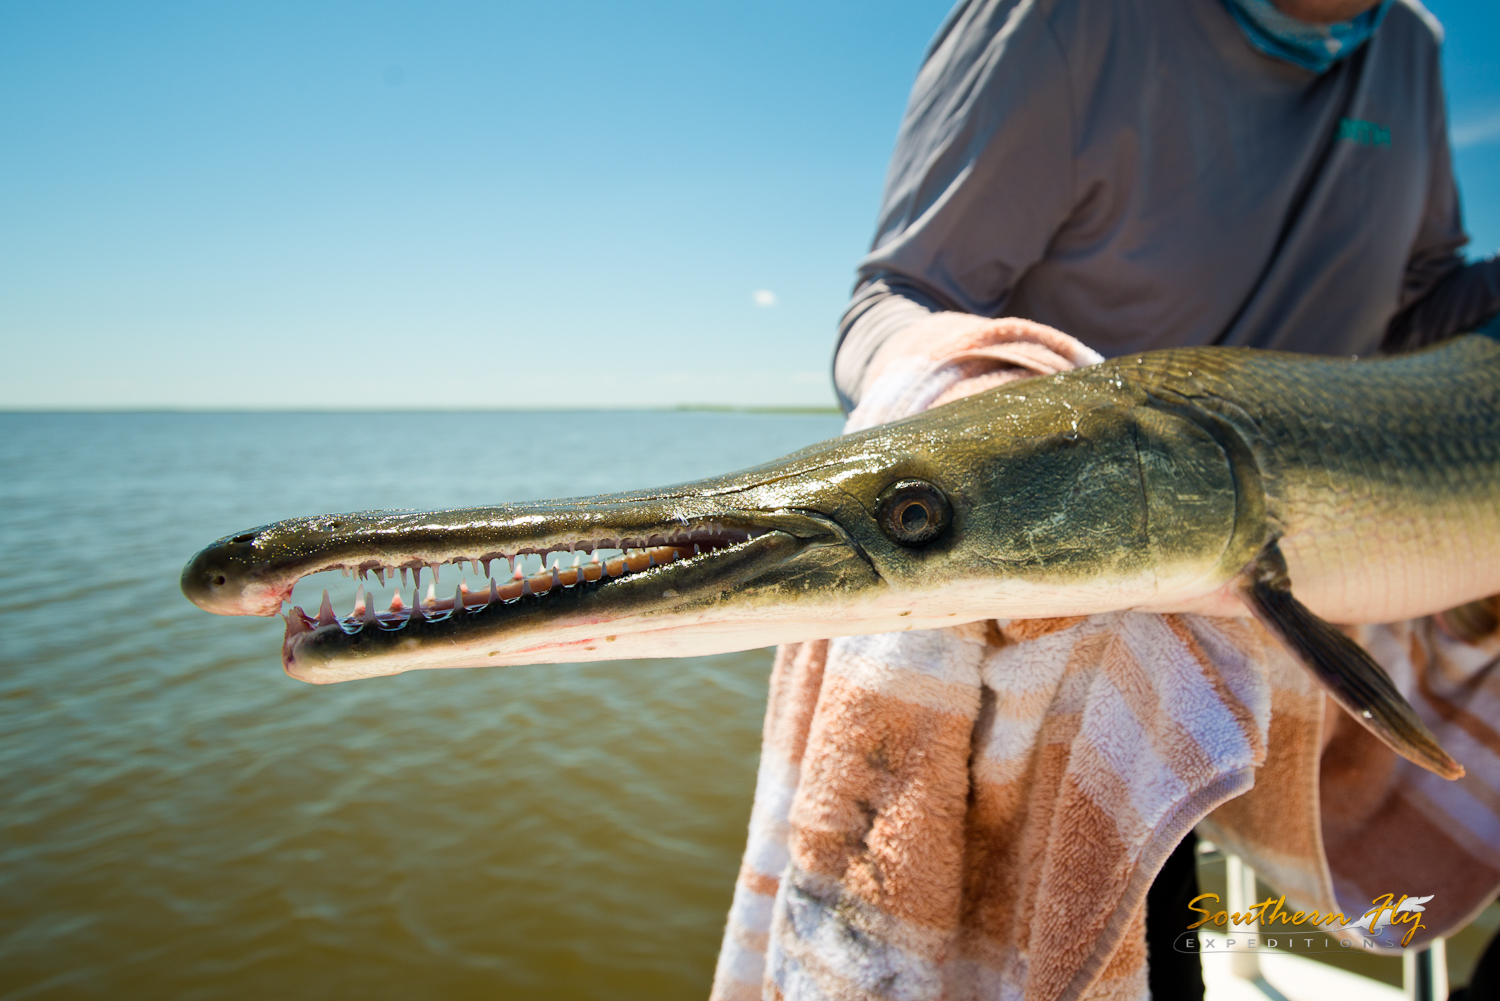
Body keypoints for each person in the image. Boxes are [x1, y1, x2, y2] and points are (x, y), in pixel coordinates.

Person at [831, 1, 1500, 998]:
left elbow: (1424, 289)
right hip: (1079, 642)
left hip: (1293, 606)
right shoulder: (1061, 19)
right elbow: (896, 299)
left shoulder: (1413, 42)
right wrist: (981, 432)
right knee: (1128, 944)